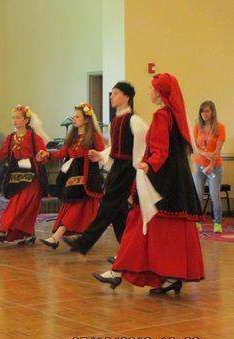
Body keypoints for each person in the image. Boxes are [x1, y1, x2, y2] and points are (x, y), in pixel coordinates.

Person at [93, 73, 204, 295]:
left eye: (152, 88)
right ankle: (169, 276)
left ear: (161, 92)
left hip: (158, 181)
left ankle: (119, 271)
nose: (149, 92)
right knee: (163, 231)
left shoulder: (162, 115)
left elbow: (160, 150)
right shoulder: (173, 115)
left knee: (138, 224)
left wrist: (148, 165)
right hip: (172, 182)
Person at [62, 82, 148, 255]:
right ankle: (129, 251)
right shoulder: (116, 120)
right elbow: (116, 148)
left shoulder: (135, 120)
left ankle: (84, 242)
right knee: (118, 213)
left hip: (126, 170)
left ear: (126, 97)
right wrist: (101, 155)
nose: (111, 97)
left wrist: (141, 167)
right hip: (117, 168)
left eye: (115, 93)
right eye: (112, 94)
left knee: (107, 206)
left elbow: (144, 144)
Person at [36, 103, 105, 249]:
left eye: (77, 116)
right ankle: (80, 240)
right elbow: (62, 153)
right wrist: (47, 154)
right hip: (72, 179)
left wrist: (96, 155)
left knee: (77, 212)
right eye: (74, 116)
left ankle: (56, 237)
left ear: (86, 119)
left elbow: (103, 153)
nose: (74, 119)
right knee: (72, 210)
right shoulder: (72, 137)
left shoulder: (94, 136)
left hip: (86, 181)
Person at [0, 105, 48, 244]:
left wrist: (41, 156)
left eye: (18, 117)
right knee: (20, 206)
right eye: (13, 118)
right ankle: (28, 235)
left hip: (32, 178)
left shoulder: (34, 138)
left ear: (26, 120)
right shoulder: (11, 138)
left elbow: (43, 155)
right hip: (17, 176)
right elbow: (1, 155)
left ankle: (3, 229)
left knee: (20, 205)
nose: (15, 120)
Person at [192, 101, 226, 233]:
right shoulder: (197, 127)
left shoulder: (220, 127)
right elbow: (195, 148)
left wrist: (211, 165)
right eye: (202, 111)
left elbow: (217, 150)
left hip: (214, 166)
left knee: (214, 195)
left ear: (212, 112)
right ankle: (198, 221)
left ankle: (217, 223)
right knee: (198, 195)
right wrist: (205, 154)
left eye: (207, 111)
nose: (204, 114)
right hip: (199, 165)